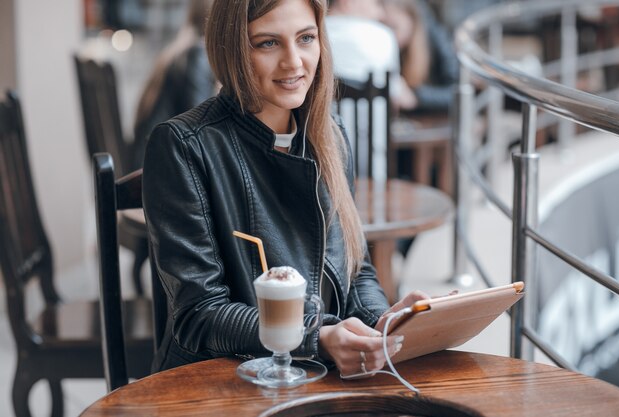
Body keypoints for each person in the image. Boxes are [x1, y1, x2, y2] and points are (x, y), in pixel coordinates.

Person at [142, 0, 428, 376]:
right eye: (268, 43)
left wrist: (381, 323)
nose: (294, 62)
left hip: (315, 374)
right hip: (220, 380)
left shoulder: (331, 135)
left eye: (306, 38)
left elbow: (356, 272)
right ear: (232, 49)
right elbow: (200, 314)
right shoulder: (183, 145)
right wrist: (318, 336)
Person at [132, 0, 217, 170]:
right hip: (160, 173)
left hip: (149, 166)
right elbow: (203, 134)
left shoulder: (177, 52)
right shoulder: (197, 54)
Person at [382, 0, 459, 113]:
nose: (388, 36)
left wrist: (417, 97)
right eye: (382, 27)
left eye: (393, 27)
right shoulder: (380, 48)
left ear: (412, 21)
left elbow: (457, 94)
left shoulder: (436, 41)